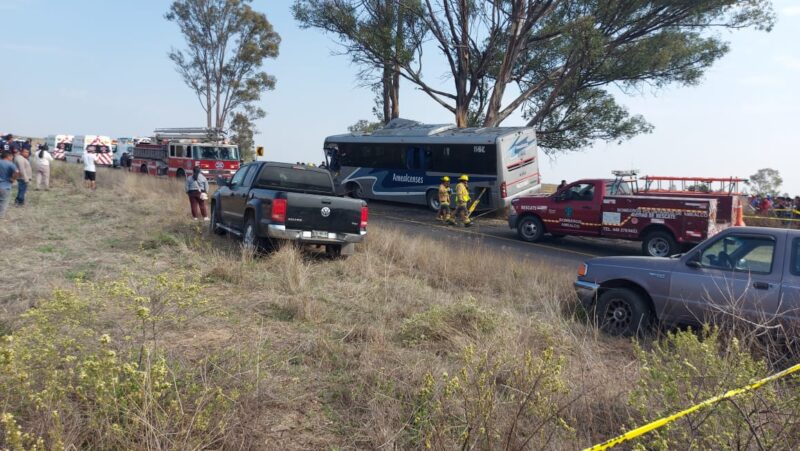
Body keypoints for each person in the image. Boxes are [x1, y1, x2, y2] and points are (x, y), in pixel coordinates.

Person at [0, 151, 19, 219]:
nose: (12, 158)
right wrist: (13, 179)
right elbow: (17, 172)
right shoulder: (10, 164)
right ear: (8, 156)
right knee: (3, 202)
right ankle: (1, 217)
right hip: (5, 186)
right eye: (11, 156)